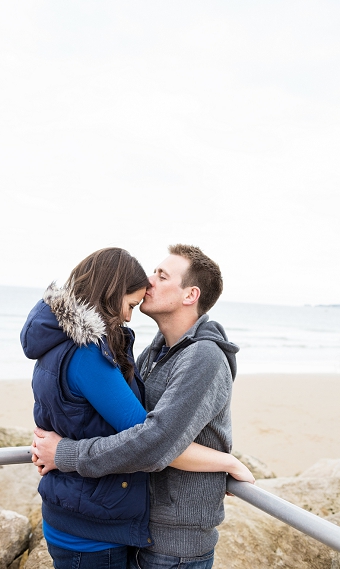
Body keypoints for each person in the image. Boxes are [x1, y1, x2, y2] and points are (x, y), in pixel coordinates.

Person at [31, 244, 253, 569]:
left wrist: (63, 453)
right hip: (140, 529)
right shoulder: (155, 349)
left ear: (190, 295)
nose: (148, 281)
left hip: (175, 543)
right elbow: (119, 422)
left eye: (162, 275)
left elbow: (154, 440)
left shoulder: (203, 358)